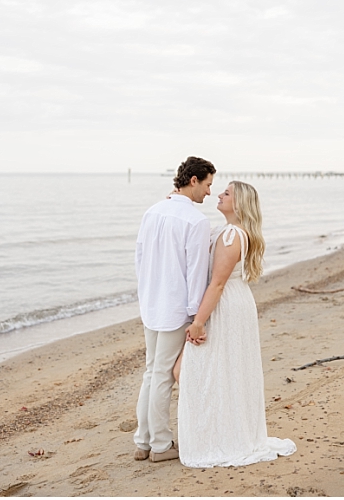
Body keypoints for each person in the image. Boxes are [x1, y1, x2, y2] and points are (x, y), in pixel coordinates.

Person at [175, 180, 297, 468]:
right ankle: (222, 432)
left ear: (239, 203)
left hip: (225, 305)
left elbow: (217, 283)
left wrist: (198, 322)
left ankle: (219, 437)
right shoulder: (227, 232)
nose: (218, 194)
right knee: (221, 370)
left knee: (191, 370)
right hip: (234, 302)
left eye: (226, 193)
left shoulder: (231, 235)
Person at [133, 156, 215, 463]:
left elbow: (139, 260)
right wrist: (196, 316)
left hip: (151, 303)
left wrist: (145, 295)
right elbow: (196, 272)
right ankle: (161, 445)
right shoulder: (196, 221)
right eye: (208, 184)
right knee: (163, 375)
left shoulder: (152, 212)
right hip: (173, 307)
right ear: (193, 180)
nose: (209, 192)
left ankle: (143, 441)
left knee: (152, 372)